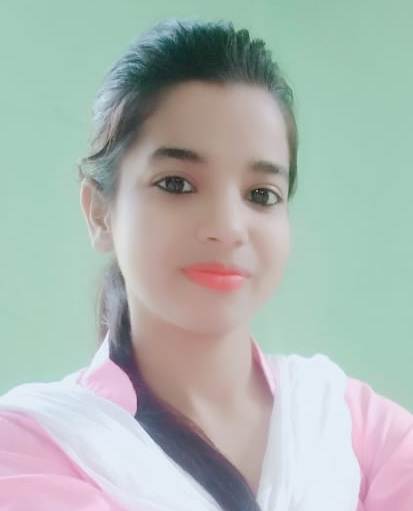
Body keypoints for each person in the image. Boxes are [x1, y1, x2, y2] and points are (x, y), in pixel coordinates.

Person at [0, 17, 412, 511]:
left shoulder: (351, 425)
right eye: (176, 184)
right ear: (100, 212)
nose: (227, 227)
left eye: (261, 194)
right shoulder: (33, 445)